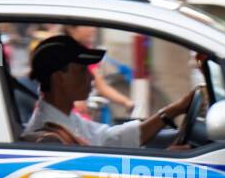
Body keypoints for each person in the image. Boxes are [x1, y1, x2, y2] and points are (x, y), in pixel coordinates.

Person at [22, 34, 197, 147]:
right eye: (82, 71)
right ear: (59, 78)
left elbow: (109, 138)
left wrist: (174, 110)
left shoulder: (65, 118)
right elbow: (94, 170)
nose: (91, 78)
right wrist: (165, 160)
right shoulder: (49, 135)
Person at [62, 24, 136, 119]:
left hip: (80, 118)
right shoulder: (60, 50)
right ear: (71, 29)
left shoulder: (86, 52)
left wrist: (126, 102)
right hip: (63, 117)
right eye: (87, 25)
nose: (93, 29)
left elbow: (101, 85)